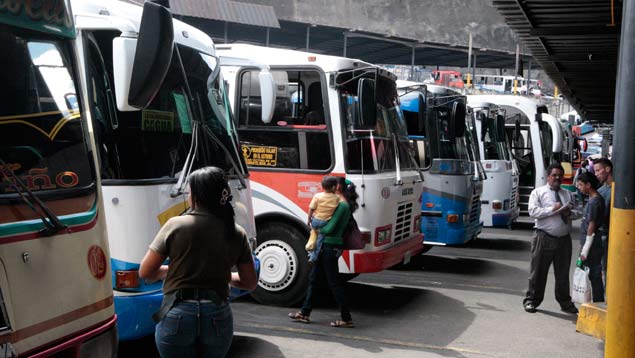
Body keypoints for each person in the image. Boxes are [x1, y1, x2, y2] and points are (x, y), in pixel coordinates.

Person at [139, 167, 257, 357]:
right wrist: (223, 277)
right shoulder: (236, 232)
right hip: (217, 315)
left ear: (196, 195)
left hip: (178, 314)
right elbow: (249, 282)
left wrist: (176, 271)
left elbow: (146, 272)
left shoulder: (176, 225)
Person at [289, 177, 359, 328]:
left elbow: (330, 229)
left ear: (337, 187)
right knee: (314, 279)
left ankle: (346, 318)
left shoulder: (342, 206)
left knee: (334, 283)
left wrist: (316, 227)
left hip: (330, 246)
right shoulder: (339, 204)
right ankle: (304, 313)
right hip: (326, 247)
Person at [523, 163, 581, 314]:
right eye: (554, 175)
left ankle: (565, 303)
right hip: (544, 237)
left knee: (563, 273)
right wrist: (552, 209)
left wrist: (570, 214)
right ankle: (532, 301)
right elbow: (533, 212)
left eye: (560, 175)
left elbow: (578, 211)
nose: (557, 178)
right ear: (548, 176)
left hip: (563, 240)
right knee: (538, 272)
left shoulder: (567, 194)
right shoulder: (538, 193)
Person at [575, 172, 605, 302]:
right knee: (592, 272)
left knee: (594, 273)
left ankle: (597, 301)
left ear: (589, 185)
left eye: (581, 185)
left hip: (592, 244)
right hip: (592, 242)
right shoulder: (595, 199)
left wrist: (585, 249)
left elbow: (591, 225)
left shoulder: (594, 202)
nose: (579, 187)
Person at [305, 176, 340, 263]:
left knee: (313, 235)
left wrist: (309, 219)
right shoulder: (336, 198)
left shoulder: (317, 196)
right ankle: (314, 257)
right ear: (333, 187)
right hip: (325, 222)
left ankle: (310, 251)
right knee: (320, 240)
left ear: (322, 187)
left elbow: (311, 208)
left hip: (316, 221)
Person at [593, 158, 613, 282]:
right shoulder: (601, 191)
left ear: (607, 169)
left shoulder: (613, 191)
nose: (596, 174)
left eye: (598, 170)